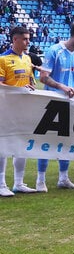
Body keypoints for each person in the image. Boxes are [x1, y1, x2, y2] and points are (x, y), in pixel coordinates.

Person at [37, 21, 74, 191]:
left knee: (66, 140)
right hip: (51, 102)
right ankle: (40, 180)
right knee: (46, 140)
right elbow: (43, 77)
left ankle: (63, 178)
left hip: (70, 103)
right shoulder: (54, 50)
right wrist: (62, 87)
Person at [0, 26, 38, 195]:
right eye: (25, 39)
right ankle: (1, 184)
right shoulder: (3, 59)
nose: (28, 42)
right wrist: (18, 90)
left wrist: (30, 87)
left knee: (22, 144)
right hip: (6, 108)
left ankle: (19, 183)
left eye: (28, 39)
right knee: (3, 145)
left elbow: (30, 81)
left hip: (23, 109)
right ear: (15, 39)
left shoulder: (28, 59)